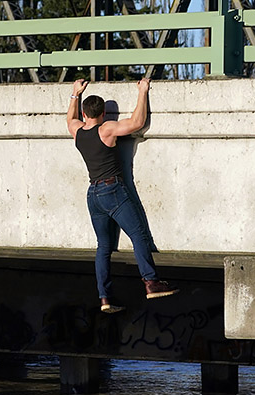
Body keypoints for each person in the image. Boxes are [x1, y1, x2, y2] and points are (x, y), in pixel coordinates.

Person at [67, 77, 178, 313]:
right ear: (104, 113)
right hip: (113, 191)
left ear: (85, 114)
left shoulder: (77, 131)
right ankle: (151, 282)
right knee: (138, 234)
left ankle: (104, 297)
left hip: (93, 195)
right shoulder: (106, 129)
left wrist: (75, 92)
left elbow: (70, 119)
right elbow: (138, 121)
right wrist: (143, 91)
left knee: (103, 247)